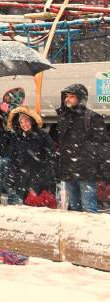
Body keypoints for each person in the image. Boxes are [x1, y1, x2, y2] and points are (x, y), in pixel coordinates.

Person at [54, 83, 109, 213]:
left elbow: (103, 145)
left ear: (80, 98)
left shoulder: (92, 117)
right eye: (66, 96)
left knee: (88, 208)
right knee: (74, 208)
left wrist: (104, 170)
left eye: (71, 96)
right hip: (68, 172)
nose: (67, 99)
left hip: (86, 172)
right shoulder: (63, 117)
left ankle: (91, 233)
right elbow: (61, 144)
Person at [7, 107, 57, 207]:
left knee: (41, 207)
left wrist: (48, 175)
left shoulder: (42, 135)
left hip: (40, 177)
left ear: (32, 121)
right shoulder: (17, 138)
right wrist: (11, 175)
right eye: (21, 122)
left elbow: (51, 155)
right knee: (27, 206)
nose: (24, 125)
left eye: (26, 121)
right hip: (23, 178)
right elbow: (13, 158)